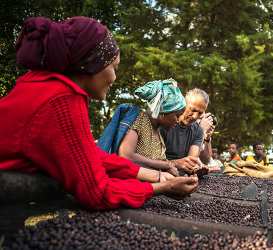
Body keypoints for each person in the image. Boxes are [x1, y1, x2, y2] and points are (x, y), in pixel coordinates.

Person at [0, 16, 199, 210]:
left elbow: (87, 154)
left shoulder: (41, 84)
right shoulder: (63, 99)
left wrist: (155, 175)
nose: (114, 77)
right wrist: (163, 186)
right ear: (92, 63)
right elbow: (97, 193)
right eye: (114, 67)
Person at [118, 79, 185, 176]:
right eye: (177, 116)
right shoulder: (140, 119)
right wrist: (164, 165)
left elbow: (158, 164)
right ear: (164, 111)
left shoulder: (158, 132)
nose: (178, 121)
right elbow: (126, 155)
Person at [160, 88, 214, 175]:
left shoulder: (198, 130)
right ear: (183, 103)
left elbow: (191, 161)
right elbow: (151, 159)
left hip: (180, 176)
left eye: (200, 113)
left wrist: (196, 168)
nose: (195, 116)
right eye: (193, 110)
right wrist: (176, 163)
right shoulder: (165, 123)